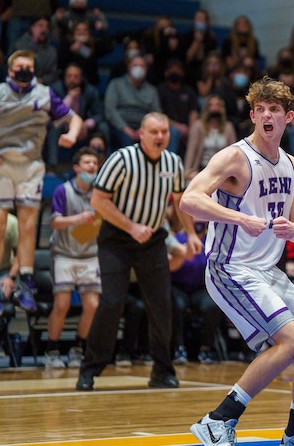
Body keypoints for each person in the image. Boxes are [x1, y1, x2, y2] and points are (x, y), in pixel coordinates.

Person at [180, 76, 294, 446]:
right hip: (229, 267)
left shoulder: (292, 165)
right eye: (260, 109)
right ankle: (218, 420)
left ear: (288, 117)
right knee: (292, 342)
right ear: (251, 115)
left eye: (274, 110)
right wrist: (238, 218)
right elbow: (189, 199)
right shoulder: (235, 156)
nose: (266, 115)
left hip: (267, 269)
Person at [75, 112, 201, 391]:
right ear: (141, 134)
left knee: (161, 305)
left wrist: (191, 234)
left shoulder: (173, 162)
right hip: (117, 238)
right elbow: (98, 200)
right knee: (112, 302)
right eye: (154, 132)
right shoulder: (121, 159)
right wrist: (131, 227)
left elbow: (182, 202)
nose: (160, 137)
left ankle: (162, 370)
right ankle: (90, 369)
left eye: (165, 132)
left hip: (153, 239)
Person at [0, 50, 83, 317]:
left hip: (31, 164)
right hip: (1, 163)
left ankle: (26, 283)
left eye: (29, 67)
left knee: (28, 225)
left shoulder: (44, 94)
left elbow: (73, 118)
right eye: (20, 67)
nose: (24, 70)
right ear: (9, 70)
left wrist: (72, 134)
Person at [44, 147, 102, 369]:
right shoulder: (63, 190)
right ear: (76, 168)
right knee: (62, 303)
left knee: (93, 304)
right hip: (64, 253)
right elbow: (54, 223)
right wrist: (79, 218)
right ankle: (52, 350)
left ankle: (78, 348)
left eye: (95, 163)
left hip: (90, 254)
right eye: (87, 163)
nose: (92, 167)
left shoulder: (100, 192)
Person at [170, 220, 224, 365]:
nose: (197, 221)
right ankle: (178, 348)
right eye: (193, 218)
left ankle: (206, 348)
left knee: (213, 305)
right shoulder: (178, 239)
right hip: (178, 286)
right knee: (177, 304)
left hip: (201, 288)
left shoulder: (213, 242)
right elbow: (170, 267)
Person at [46, 62, 109, 172]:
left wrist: (86, 124)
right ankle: (53, 165)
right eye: (69, 76)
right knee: (53, 127)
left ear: (81, 78)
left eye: (76, 77)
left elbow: (99, 114)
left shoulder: (90, 91)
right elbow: (53, 114)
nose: (72, 80)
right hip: (63, 125)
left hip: (85, 127)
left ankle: (104, 164)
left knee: (103, 127)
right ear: (64, 77)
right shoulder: (56, 89)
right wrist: (70, 97)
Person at [104, 53, 161, 148]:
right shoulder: (116, 84)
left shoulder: (152, 90)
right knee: (125, 139)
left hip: (144, 127)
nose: (138, 69)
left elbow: (156, 112)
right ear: (129, 68)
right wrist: (126, 130)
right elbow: (110, 110)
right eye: (135, 66)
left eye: (142, 66)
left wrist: (143, 129)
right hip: (120, 126)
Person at [184, 94, 237, 179]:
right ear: (206, 108)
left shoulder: (228, 127)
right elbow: (191, 151)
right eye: (211, 105)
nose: (214, 108)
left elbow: (234, 152)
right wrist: (187, 172)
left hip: (222, 172)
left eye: (217, 105)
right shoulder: (198, 126)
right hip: (201, 170)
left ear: (222, 108)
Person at [157, 58, 200, 155]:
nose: (175, 72)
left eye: (178, 69)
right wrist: (178, 127)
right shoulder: (160, 90)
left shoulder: (189, 91)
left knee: (197, 130)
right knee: (174, 132)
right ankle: (171, 165)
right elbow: (158, 114)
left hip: (187, 128)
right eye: (172, 69)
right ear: (166, 73)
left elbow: (194, 112)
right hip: (167, 127)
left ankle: (191, 167)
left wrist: (190, 129)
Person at [11, 16, 59, 85]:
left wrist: (42, 80)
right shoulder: (20, 44)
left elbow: (53, 74)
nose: (44, 29)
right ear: (32, 28)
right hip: (20, 82)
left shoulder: (52, 51)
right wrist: (34, 42)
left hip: (42, 85)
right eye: (40, 26)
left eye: (47, 26)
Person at [182, 10, 219, 88]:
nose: (200, 22)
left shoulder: (211, 39)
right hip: (189, 72)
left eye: (203, 20)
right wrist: (197, 41)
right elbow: (187, 58)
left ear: (207, 23)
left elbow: (210, 58)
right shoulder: (186, 37)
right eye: (198, 19)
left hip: (205, 72)